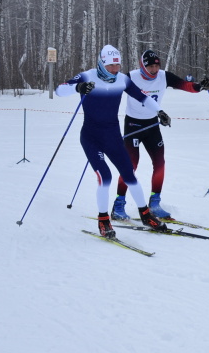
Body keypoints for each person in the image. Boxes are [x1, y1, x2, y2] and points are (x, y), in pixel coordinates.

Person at [55, 44, 170, 238]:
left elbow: (142, 97)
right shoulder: (88, 76)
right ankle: (103, 220)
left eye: (118, 65)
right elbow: (59, 90)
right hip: (91, 137)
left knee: (129, 175)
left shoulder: (122, 80)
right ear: (102, 64)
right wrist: (78, 87)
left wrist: (158, 111)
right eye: (111, 66)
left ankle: (145, 215)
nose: (115, 70)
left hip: (113, 136)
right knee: (105, 177)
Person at [111, 49, 209, 221]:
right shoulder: (131, 77)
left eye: (157, 66)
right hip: (133, 125)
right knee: (131, 165)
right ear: (143, 66)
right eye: (150, 67)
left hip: (152, 125)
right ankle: (118, 205)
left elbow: (185, 85)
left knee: (159, 163)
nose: (154, 70)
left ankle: (155, 203)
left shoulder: (163, 76)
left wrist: (200, 86)